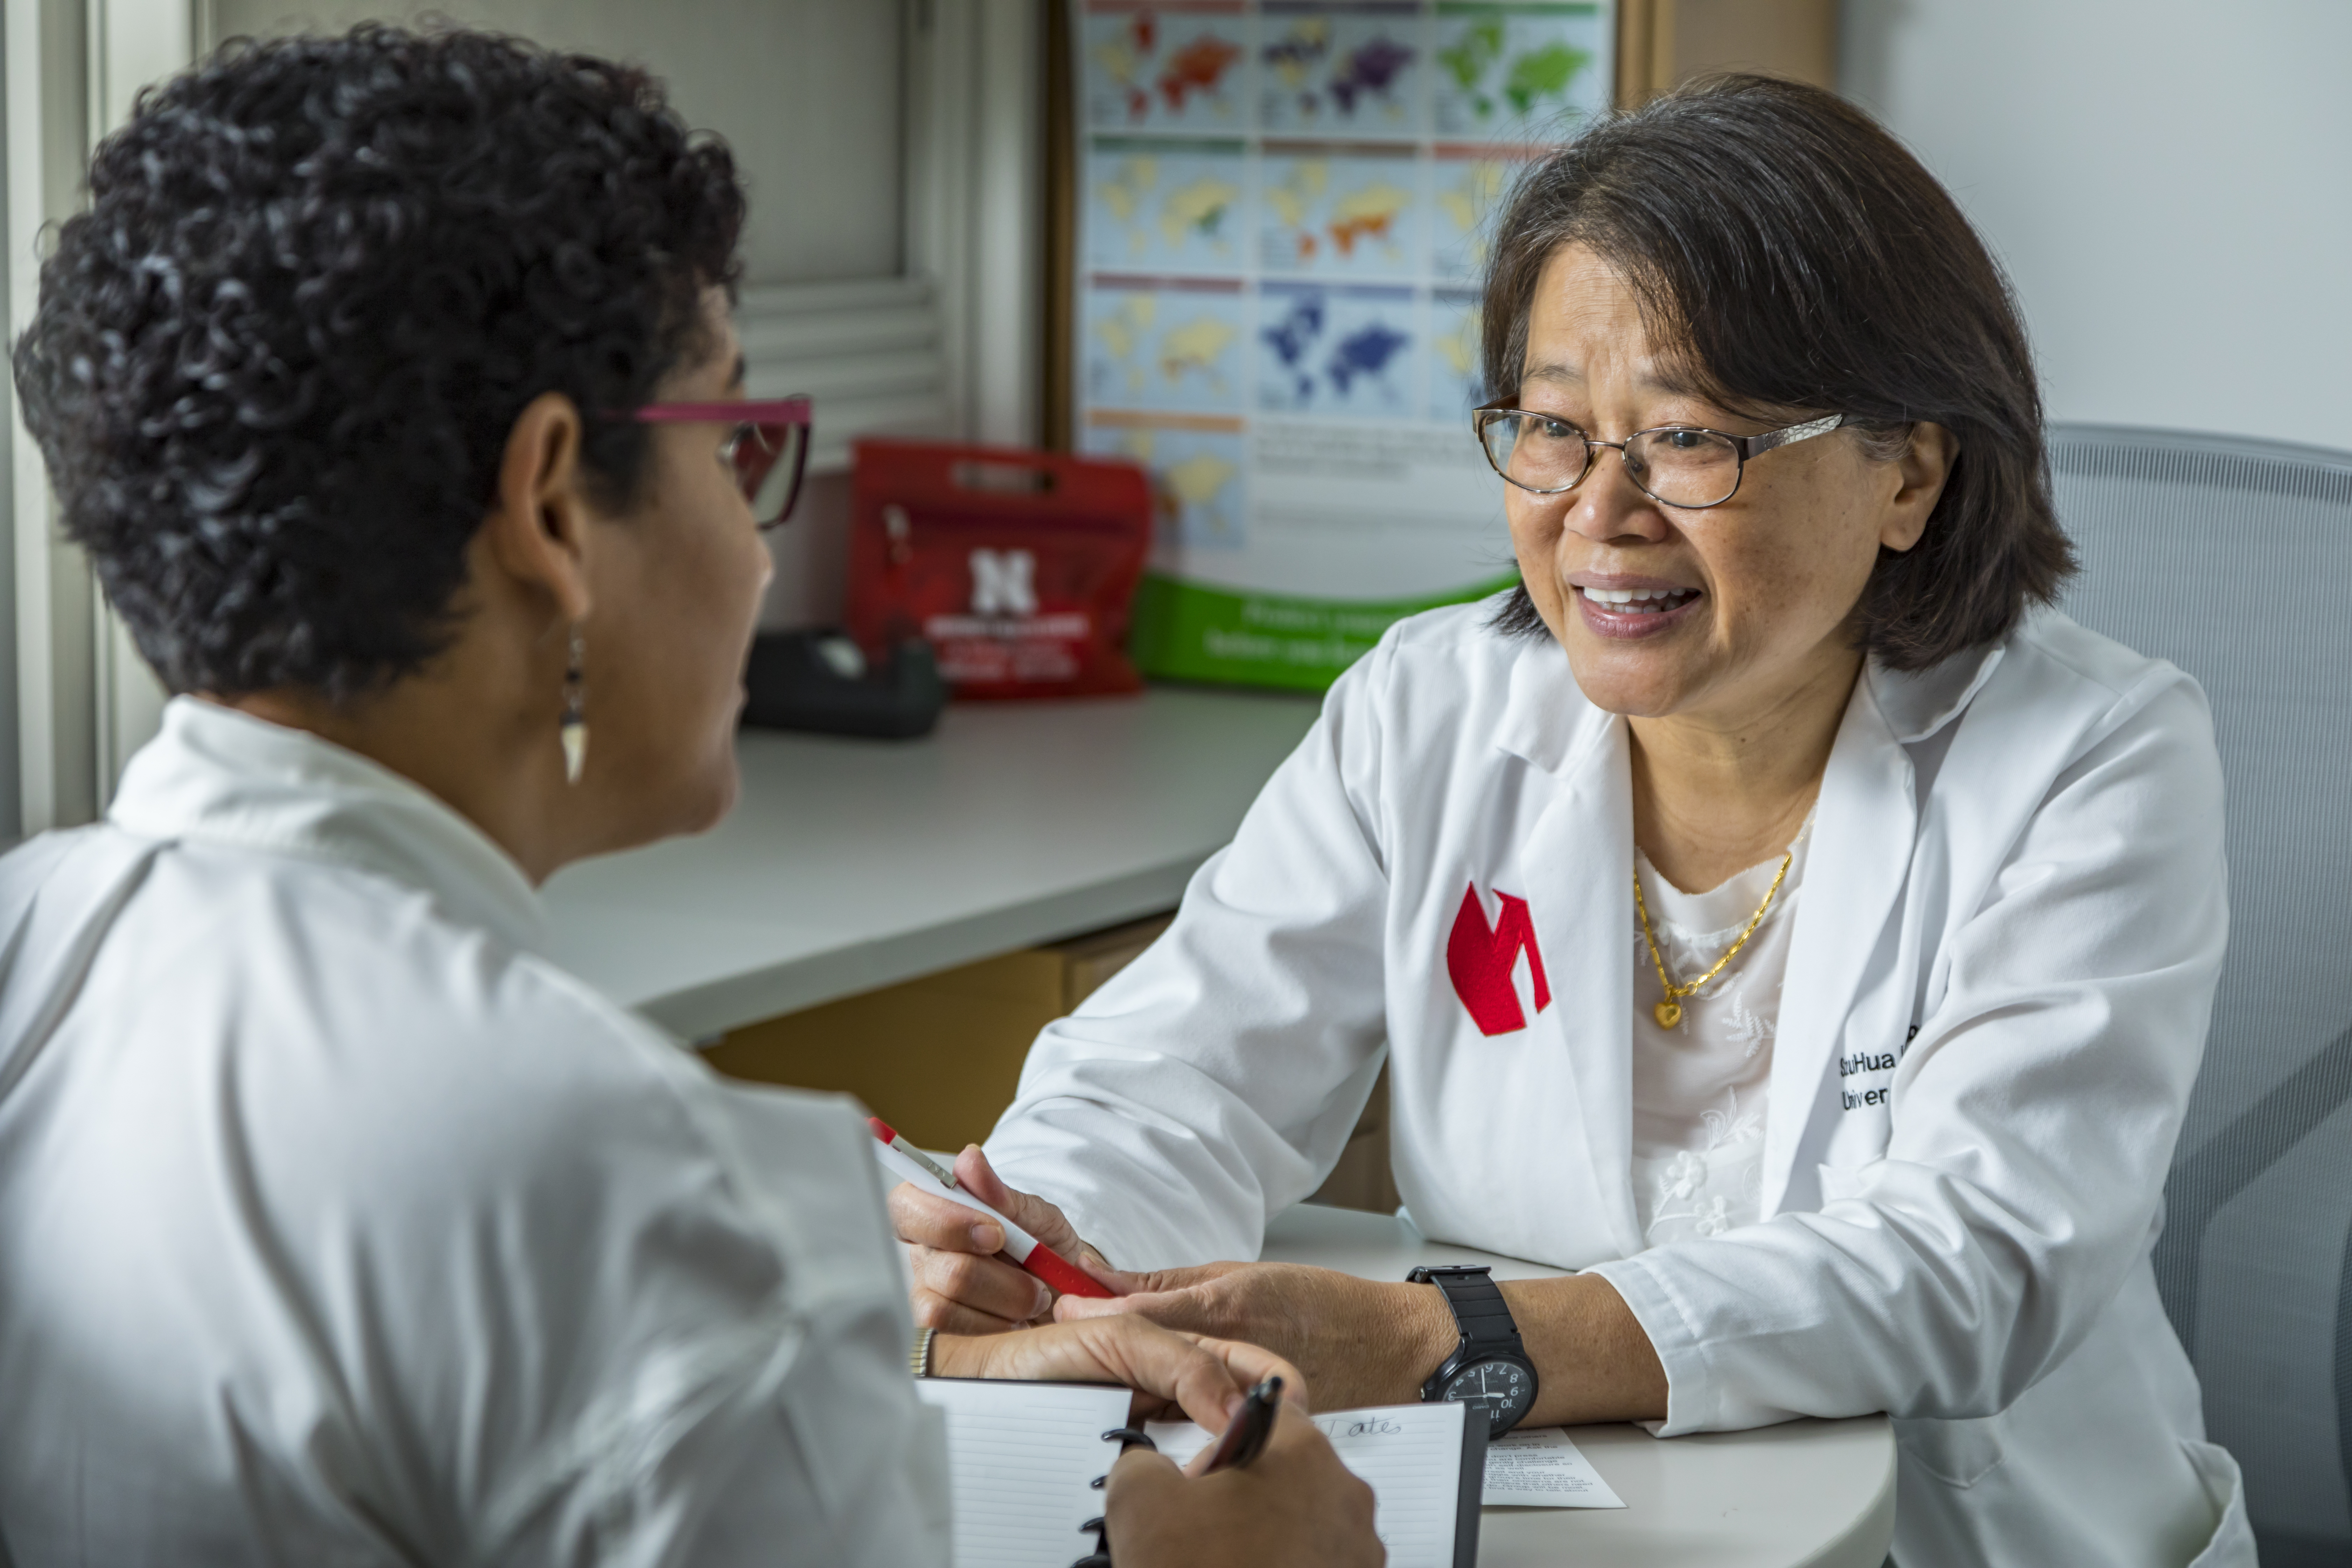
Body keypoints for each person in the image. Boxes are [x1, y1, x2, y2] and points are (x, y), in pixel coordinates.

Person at [0, 27, 1382, 1567]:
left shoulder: (30, 952)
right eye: (734, 444)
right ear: (549, 507)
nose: (762, 544)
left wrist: (908, 1402)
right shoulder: (629, 1182)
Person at [895, 74, 2255, 1567]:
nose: (1600, 513)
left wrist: (1447, 1342)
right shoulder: (1433, 710)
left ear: (1907, 475)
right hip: (1575, 1528)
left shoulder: (2095, 754)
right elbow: (1174, 1077)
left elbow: (1972, 1261)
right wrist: (1036, 1239)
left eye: (1687, 438)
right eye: (1551, 429)